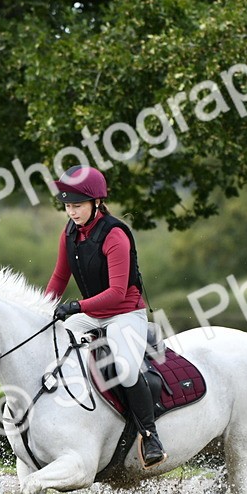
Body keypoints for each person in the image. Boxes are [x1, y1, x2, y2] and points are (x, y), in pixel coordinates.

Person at [45, 165, 166, 468]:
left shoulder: (114, 235)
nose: (71, 212)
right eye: (67, 206)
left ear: (96, 203)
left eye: (77, 206)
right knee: (52, 342)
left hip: (124, 313)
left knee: (124, 369)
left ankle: (150, 435)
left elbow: (115, 293)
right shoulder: (69, 233)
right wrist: (42, 310)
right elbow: (59, 277)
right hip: (91, 313)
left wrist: (76, 307)